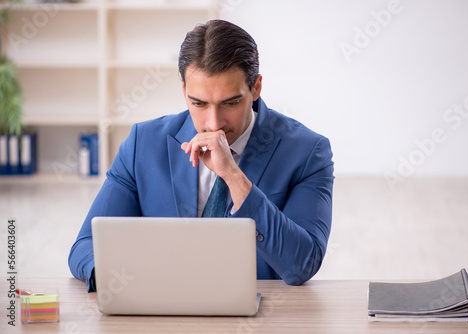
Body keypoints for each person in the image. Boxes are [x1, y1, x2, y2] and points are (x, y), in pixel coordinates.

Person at [68, 19, 334, 292]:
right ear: (183, 90)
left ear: (255, 88)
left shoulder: (307, 152)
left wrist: (233, 176)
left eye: (230, 103)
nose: (213, 122)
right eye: (199, 103)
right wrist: (122, 282)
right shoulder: (143, 144)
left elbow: (302, 264)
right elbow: (85, 246)